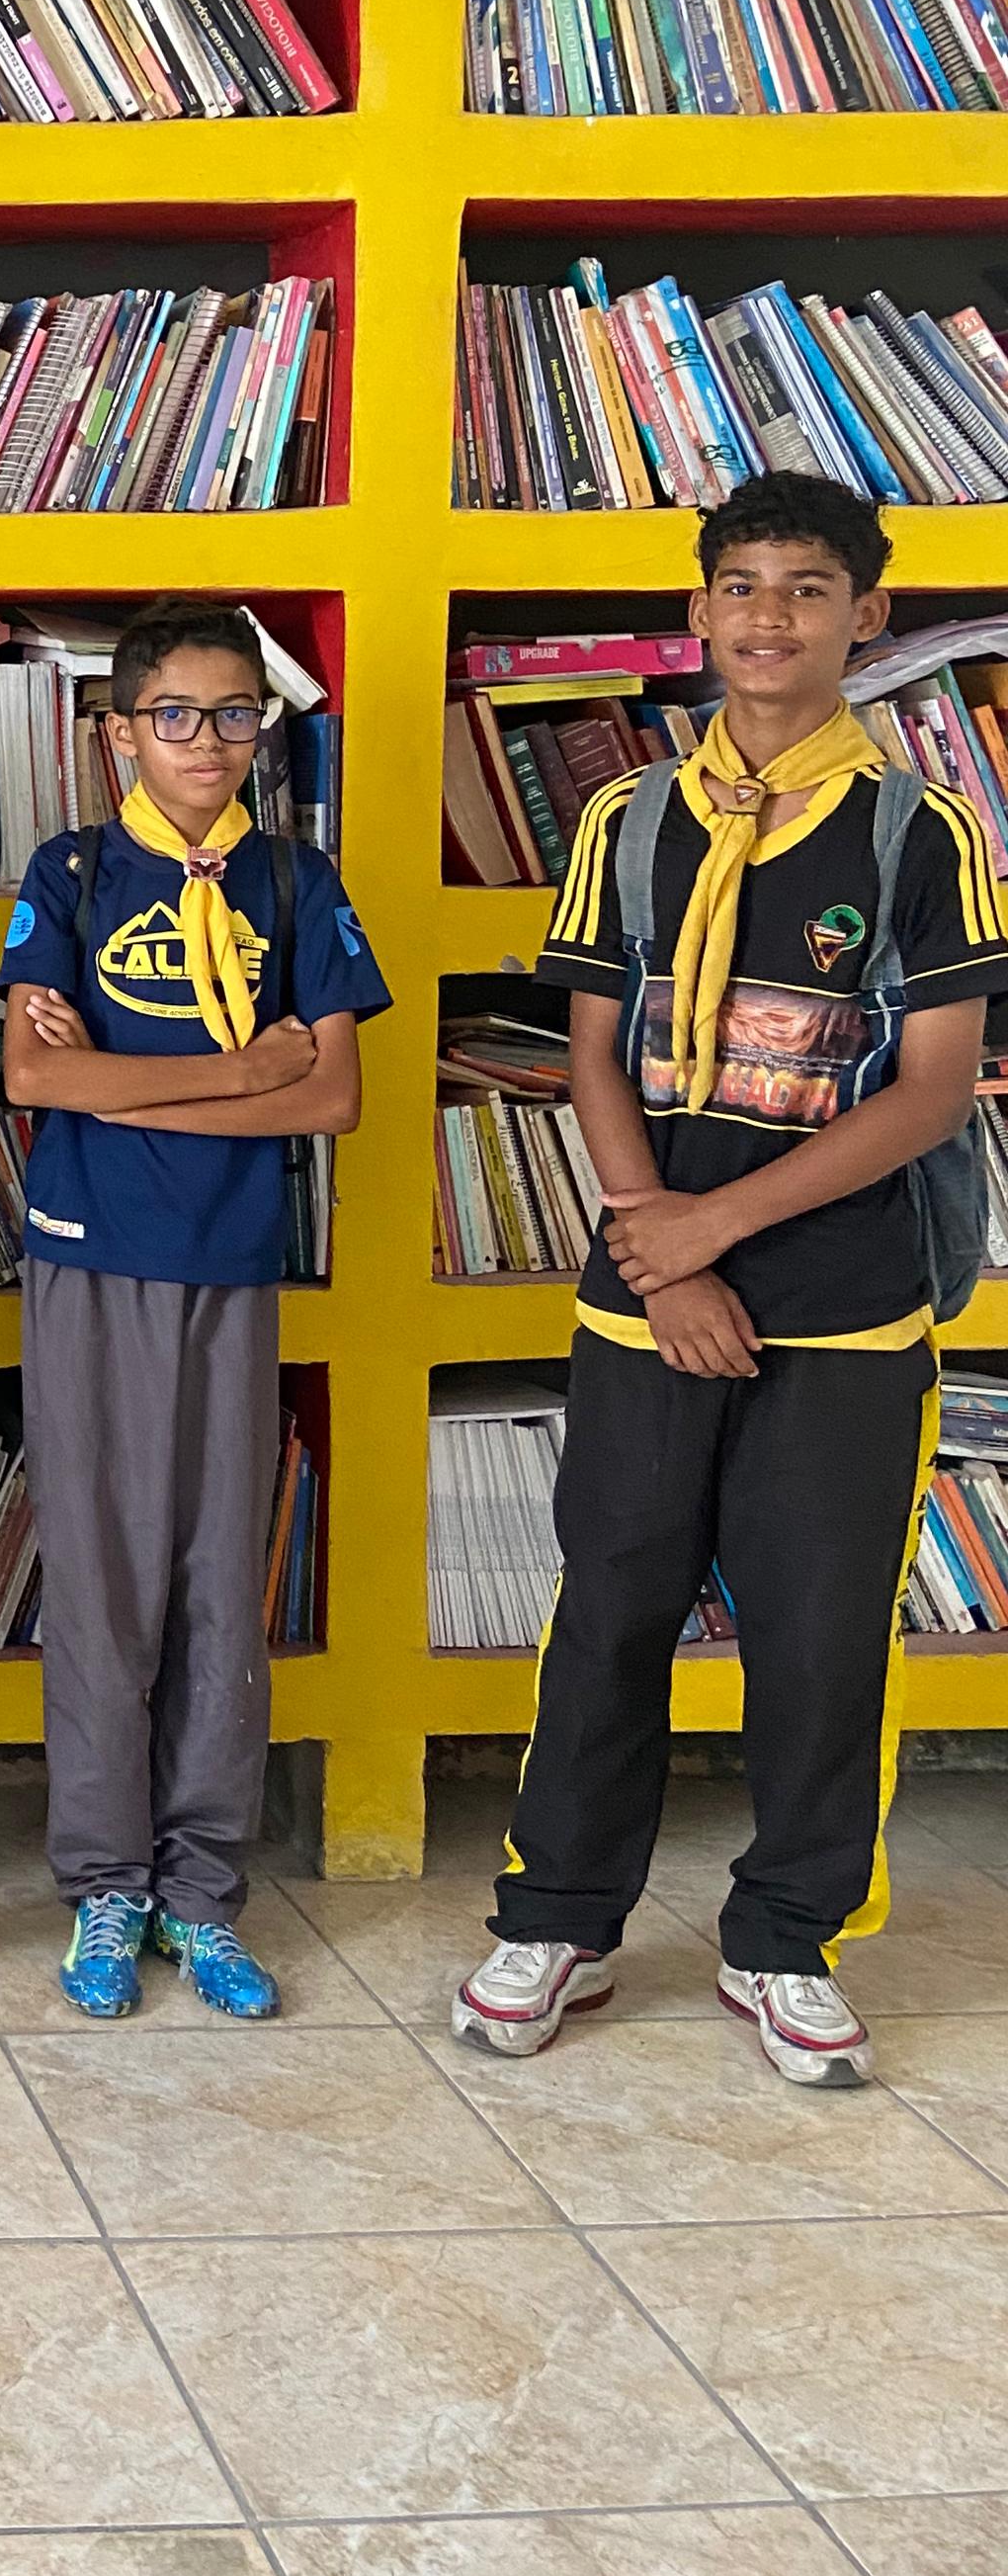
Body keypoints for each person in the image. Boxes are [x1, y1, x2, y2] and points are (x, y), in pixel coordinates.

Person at [455, 474, 1008, 2088]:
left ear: (867, 616)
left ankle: (786, 1937)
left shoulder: (922, 832)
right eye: (744, 585)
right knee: (610, 1605)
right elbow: (594, 1049)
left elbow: (930, 1090)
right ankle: (560, 1915)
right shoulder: (629, 822)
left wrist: (717, 1230)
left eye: (810, 588)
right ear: (698, 611)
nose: (771, 617)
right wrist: (657, 1234)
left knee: (825, 1632)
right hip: (644, 1291)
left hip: (844, 1307)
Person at [0, 598, 387, 2018]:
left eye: (236, 714)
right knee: (103, 1578)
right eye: (175, 715)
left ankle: (203, 1890)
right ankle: (106, 1882)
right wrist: (241, 1071)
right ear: (122, 733)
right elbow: (34, 1081)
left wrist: (127, 1085)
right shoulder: (73, 871)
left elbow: (332, 1099)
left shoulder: (293, 879)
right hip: (92, 1253)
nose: (207, 741)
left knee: (222, 1573)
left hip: (232, 1262)